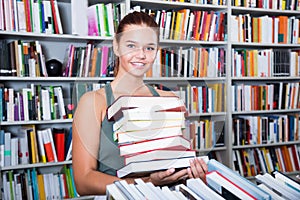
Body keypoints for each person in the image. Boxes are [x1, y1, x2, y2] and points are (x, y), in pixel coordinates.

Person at [72, 11, 208, 195]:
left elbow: (177, 163)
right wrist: (147, 182)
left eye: (149, 48)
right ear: (117, 47)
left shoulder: (169, 100)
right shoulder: (93, 102)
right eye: (131, 45)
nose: (141, 55)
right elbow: (83, 182)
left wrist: (193, 175)